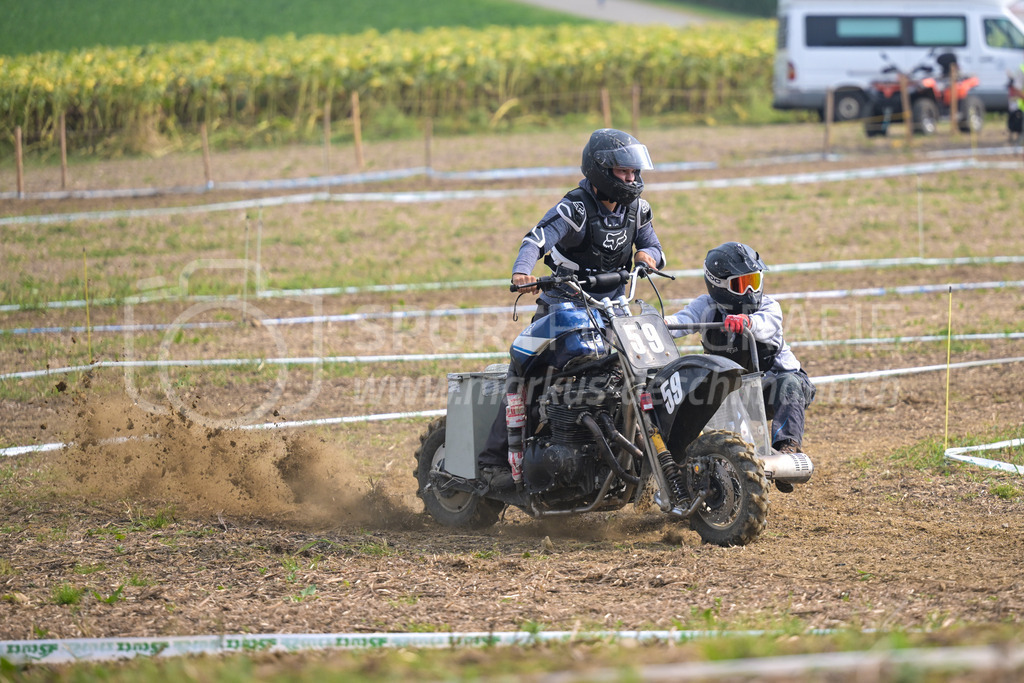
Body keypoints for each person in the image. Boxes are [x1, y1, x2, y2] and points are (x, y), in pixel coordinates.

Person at [477, 128, 666, 488]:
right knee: (526, 375)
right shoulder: (575, 208)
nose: (631, 179)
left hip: (612, 308)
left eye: (634, 172)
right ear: (601, 170)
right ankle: (491, 462)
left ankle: (638, 452)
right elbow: (536, 239)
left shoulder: (638, 210)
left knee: (639, 375)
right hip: (563, 306)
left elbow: (653, 246)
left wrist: (647, 256)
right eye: (623, 172)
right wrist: (522, 271)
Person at [664, 242, 815, 492]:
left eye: (754, 281)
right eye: (741, 284)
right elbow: (684, 320)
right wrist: (663, 323)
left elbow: (767, 324)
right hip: (731, 390)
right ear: (719, 285)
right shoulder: (707, 306)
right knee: (695, 402)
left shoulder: (768, 307)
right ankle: (683, 472)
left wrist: (747, 321)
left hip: (773, 385)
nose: (751, 290)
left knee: (789, 384)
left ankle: (788, 446)